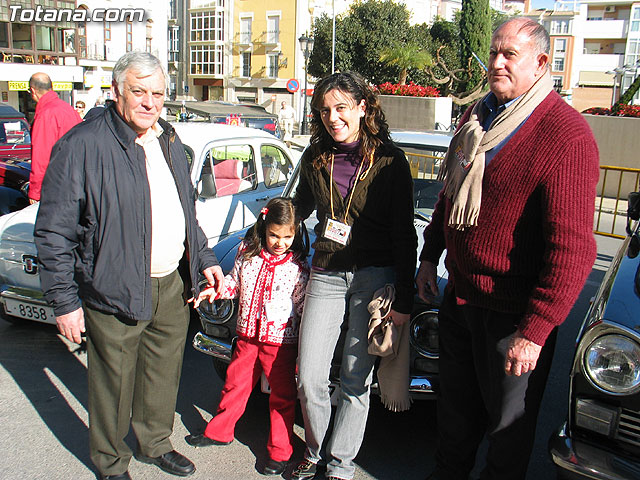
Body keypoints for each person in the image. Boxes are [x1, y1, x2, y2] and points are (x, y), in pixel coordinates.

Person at [415, 18, 599, 480]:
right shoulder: (476, 119)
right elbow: (449, 197)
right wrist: (429, 256)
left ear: (541, 63)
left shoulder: (566, 134)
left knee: (506, 436)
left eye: (509, 54)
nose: (496, 62)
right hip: (461, 301)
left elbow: (573, 250)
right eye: (494, 52)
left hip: (513, 319)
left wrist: (534, 332)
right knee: (454, 421)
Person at [33, 52, 224, 480]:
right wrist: (64, 302)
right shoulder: (83, 145)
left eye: (157, 93)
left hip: (171, 286)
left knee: (161, 374)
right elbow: (53, 231)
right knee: (113, 384)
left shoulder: (168, 138)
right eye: (139, 91)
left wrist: (205, 259)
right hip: (113, 287)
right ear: (117, 91)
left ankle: (155, 443)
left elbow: (186, 213)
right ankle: (110, 461)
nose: (149, 102)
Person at [291, 71, 417, 480]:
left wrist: (404, 298)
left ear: (363, 108)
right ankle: (314, 450)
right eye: (324, 110)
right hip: (327, 273)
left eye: (341, 108)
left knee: (354, 377)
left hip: (374, 277)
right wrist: (274, 222)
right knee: (310, 376)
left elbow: (404, 233)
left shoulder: (390, 161)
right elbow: (300, 206)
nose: (333, 118)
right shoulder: (315, 156)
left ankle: (340, 465)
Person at [186, 197, 310, 476]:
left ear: (295, 233)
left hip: (280, 343)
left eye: (287, 237)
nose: (280, 243)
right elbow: (234, 283)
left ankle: (280, 451)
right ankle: (220, 431)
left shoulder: (298, 268)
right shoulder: (247, 254)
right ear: (264, 228)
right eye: (274, 235)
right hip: (246, 338)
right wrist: (217, 290)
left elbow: (302, 307)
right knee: (235, 385)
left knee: (282, 397)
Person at [28, 72, 82, 203]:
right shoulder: (68, 109)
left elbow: (41, 157)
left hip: (57, 186)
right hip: (77, 182)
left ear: (33, 91)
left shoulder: (46, 114)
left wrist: (35, 192)